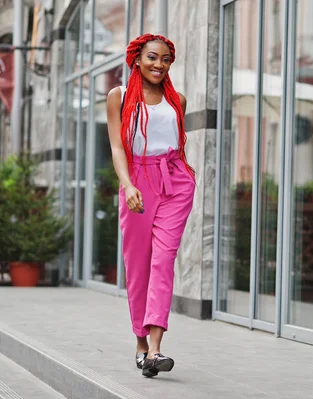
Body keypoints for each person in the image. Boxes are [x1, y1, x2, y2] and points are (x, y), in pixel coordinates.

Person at [106, 33, 195, 378]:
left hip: (174, 180)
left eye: (166, 59)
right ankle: (141, 344)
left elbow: (177, 144)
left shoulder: (178, 101)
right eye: (153, 58)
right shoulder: (120, 97)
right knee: (139, 264)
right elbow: (117, 147)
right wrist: (127, 184)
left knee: (163, 260)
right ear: (137, 60)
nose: (160, 65)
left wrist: (185, 173)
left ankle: (156, 349)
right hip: (136, 179)